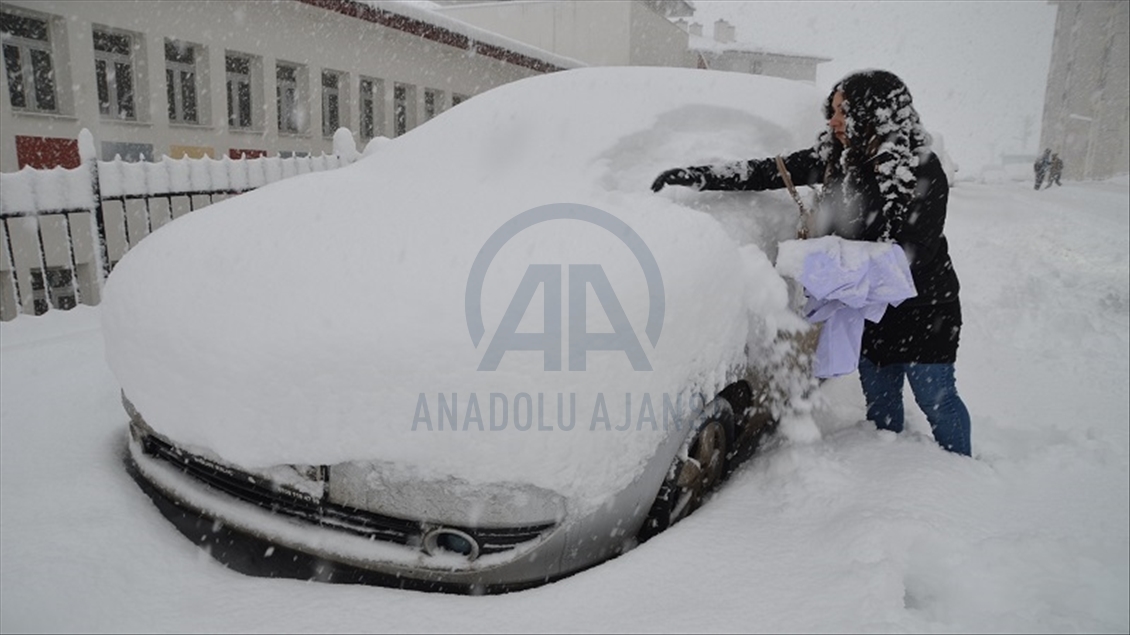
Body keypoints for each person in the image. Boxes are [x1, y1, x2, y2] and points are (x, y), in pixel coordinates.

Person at [650, 69, 971, 456]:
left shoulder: (921, 169)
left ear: (874, 114)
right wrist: (699, 176)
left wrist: (826, 262)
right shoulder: (837, 158)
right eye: (832, 111)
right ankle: (891, 470)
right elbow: (769, 170)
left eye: (842, 111)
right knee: (882, 402)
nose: (832, 121)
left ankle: (958, 471)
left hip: (924, 307)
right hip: (870, 310)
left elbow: (914, 253)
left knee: (936, 397)